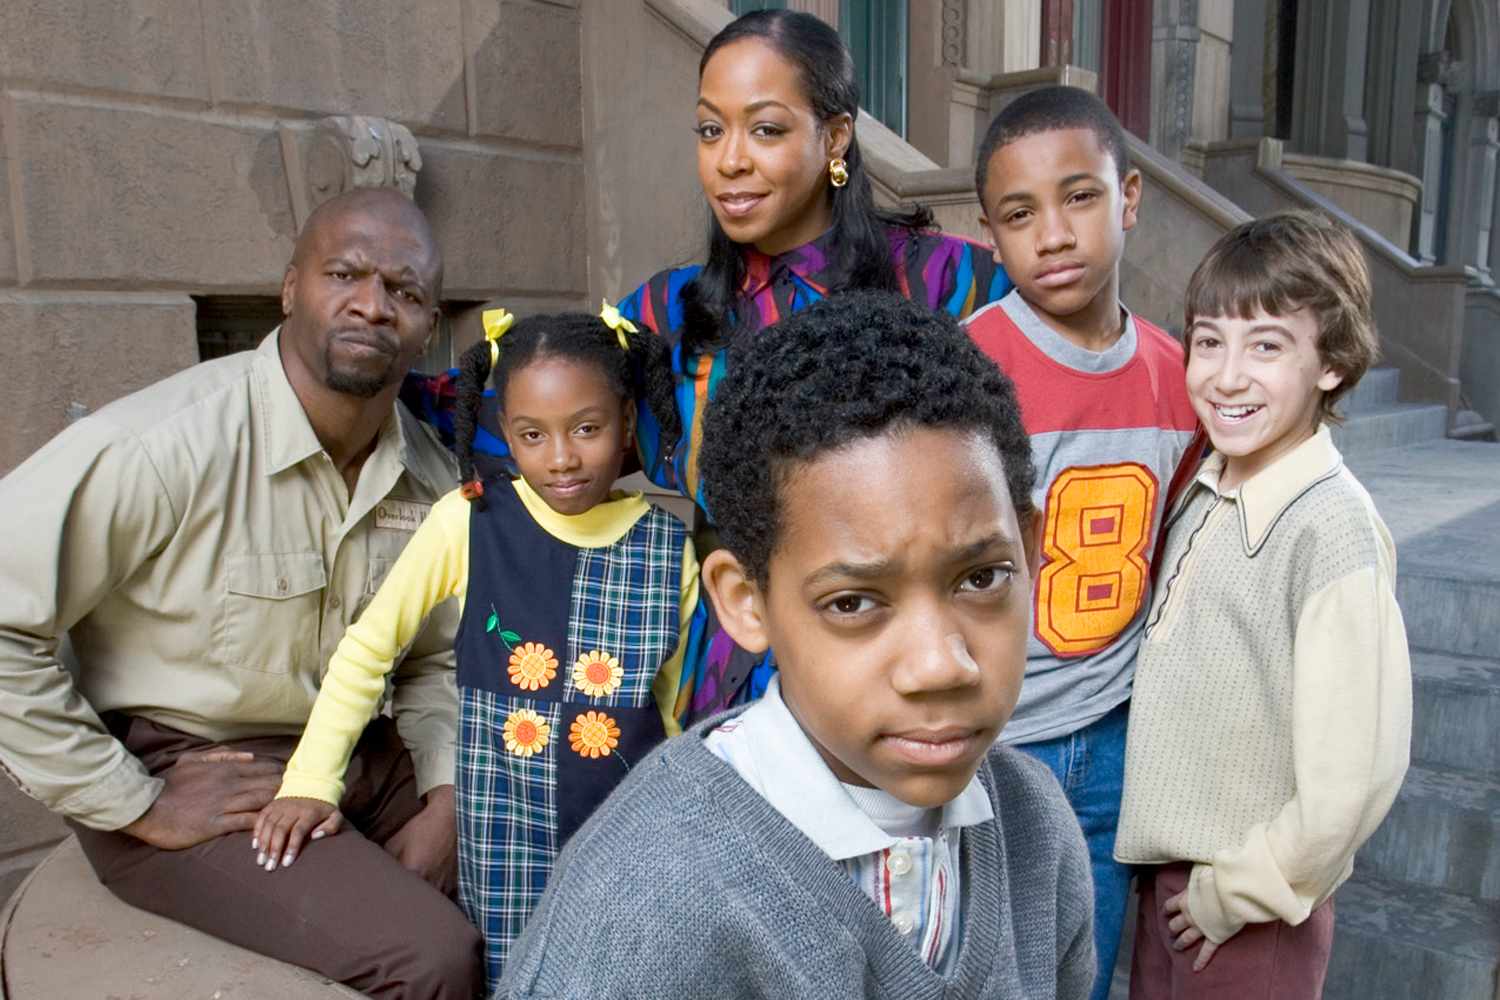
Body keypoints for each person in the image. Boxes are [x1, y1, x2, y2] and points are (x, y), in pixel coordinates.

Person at [496, 291, 1095, 1000]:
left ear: (1030, 549)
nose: (940, 666)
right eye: (853, 602)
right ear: (746, 602)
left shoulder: (1035, 826)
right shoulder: (641, 911)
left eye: (982, 578)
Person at [0, 188, 483, 998]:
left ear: (429, 322)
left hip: (356, 753)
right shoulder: (161, 447)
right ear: (290, 288)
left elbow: (436, 661)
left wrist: (447, 799)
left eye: (403, 290)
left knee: (545, 868)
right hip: (198, 765)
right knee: (430, 960)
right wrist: (135, 801)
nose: (373, 304)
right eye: (345, 274)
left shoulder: (431, 478)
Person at [253, 307, 698, 991]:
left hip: (631, 837)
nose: (562, 458)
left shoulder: (668, 548)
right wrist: (312, 780)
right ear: (504, 431)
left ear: (627, 417)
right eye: (532, 434)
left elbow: (672, 711)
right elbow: (368, 650)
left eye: (587, 428)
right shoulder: (469, 519)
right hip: (504, 836)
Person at [609, 9, 1013, 724]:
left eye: (765, 129)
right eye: (710, 130)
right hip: (730, 671)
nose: (730, 160)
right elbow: (527, 419)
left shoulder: (952, 285)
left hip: (903, 663)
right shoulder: (667, 312)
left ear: (835, 137)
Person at [1114, 212, 1411, 998]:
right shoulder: (1205, 486)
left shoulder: (1330, 526)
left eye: (1267, 347)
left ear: (1332, 363)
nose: (1227, 376)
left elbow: (1355, 778)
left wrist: (1237, 892)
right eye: (1209, 342)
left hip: (1248, 907)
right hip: (1173, 882)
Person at [963, 84, 1201, 997]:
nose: (1054, 235)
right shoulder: (969, 369)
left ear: (1128, 197)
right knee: (977, 963)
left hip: (1114, 735)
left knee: (1082, 968)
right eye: (1020, 214)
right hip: (993, 735)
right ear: (990, 233)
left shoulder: (1179, 380)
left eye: (1080, 197)